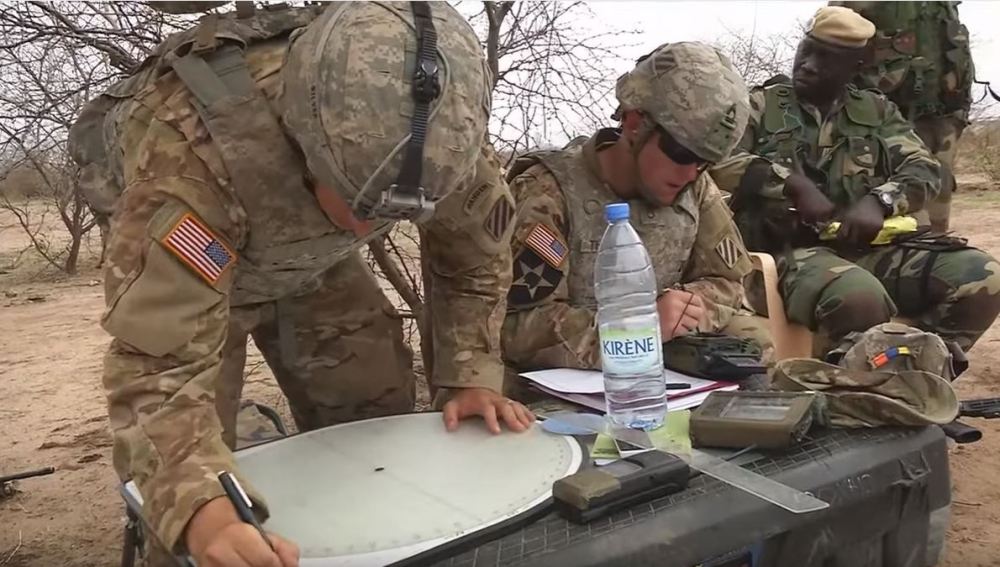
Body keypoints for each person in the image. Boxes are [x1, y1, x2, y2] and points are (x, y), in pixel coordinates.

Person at [71, 3, 534, 566]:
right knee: (192, 512)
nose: (369, 227)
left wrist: (469, 374)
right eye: (359, 199)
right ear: (304, 138)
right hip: (211, 246)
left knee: (378, 418)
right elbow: (156, 368)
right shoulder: (190, 155)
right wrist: (200, 511)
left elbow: (476, 261)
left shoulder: (442, 142)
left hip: (310, 258)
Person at [711, 6, 1000, 356]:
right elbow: (717, 158)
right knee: (859, 296)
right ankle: (853, 390)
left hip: (868, 250)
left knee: (983, 277)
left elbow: (924, 168)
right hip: (786, 253)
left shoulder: (877, 113)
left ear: (857, 67)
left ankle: (916, 374)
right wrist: (790, 184)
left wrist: (881, 201)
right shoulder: (760, 106)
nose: (808, 64)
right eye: (807, 50)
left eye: (826, 59)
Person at [501, 42, 770, 377]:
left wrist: (685, 308)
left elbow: (729, 282)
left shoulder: (694, 186)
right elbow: (515, 326)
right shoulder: (548, 192)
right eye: (681, 154)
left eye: (704, 163)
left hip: (657, 371)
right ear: (634, 124)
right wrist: (637, 328)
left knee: (756, 346)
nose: (690, 174)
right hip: (566, 382)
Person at [832, 1, 975, 233]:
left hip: (942, 116)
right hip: (885, 122)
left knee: (938, 192)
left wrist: (961, 108)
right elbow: (834, 37)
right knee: (892, 203)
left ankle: (934, 252)